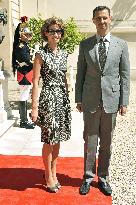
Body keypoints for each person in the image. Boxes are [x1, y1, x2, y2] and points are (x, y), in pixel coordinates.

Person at [75, 6, 130, 196]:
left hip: (111, 101)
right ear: (93, 21)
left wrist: (124, 102)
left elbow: (124, 76)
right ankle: (88, 177)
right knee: (90, 142)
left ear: (110, 19)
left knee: (106, 143)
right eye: (98, 18)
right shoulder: (85, 45)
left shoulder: (121, 45)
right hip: (90, 101)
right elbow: (80, 74)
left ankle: (104, 178)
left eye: (105, 18)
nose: (102, 21)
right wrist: (78, 98)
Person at [31, 17, 71, 193]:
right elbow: (35, 81)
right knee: (49, 139)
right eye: (53, 31)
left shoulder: (64, 54)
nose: (56, 34)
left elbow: (64, 78)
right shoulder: (40, 54)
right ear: (46, 33)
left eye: (59, 31)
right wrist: (34, 107)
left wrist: (68, 97)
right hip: (48, 100)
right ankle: (48, 176)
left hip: (62, 100)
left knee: (58, 138)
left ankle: (54, 172)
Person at [12, 16, 35, 129]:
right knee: (23, 96)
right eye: (26, 34)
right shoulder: (21, 46)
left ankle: (24, 120)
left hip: (26, 73)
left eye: (29, 34)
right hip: (25, 74)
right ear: (21, 35)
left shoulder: (24, 45)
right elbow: (26, 60)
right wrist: (36, 63)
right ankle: (23, 121)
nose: (28, 36)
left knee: (24, 96)